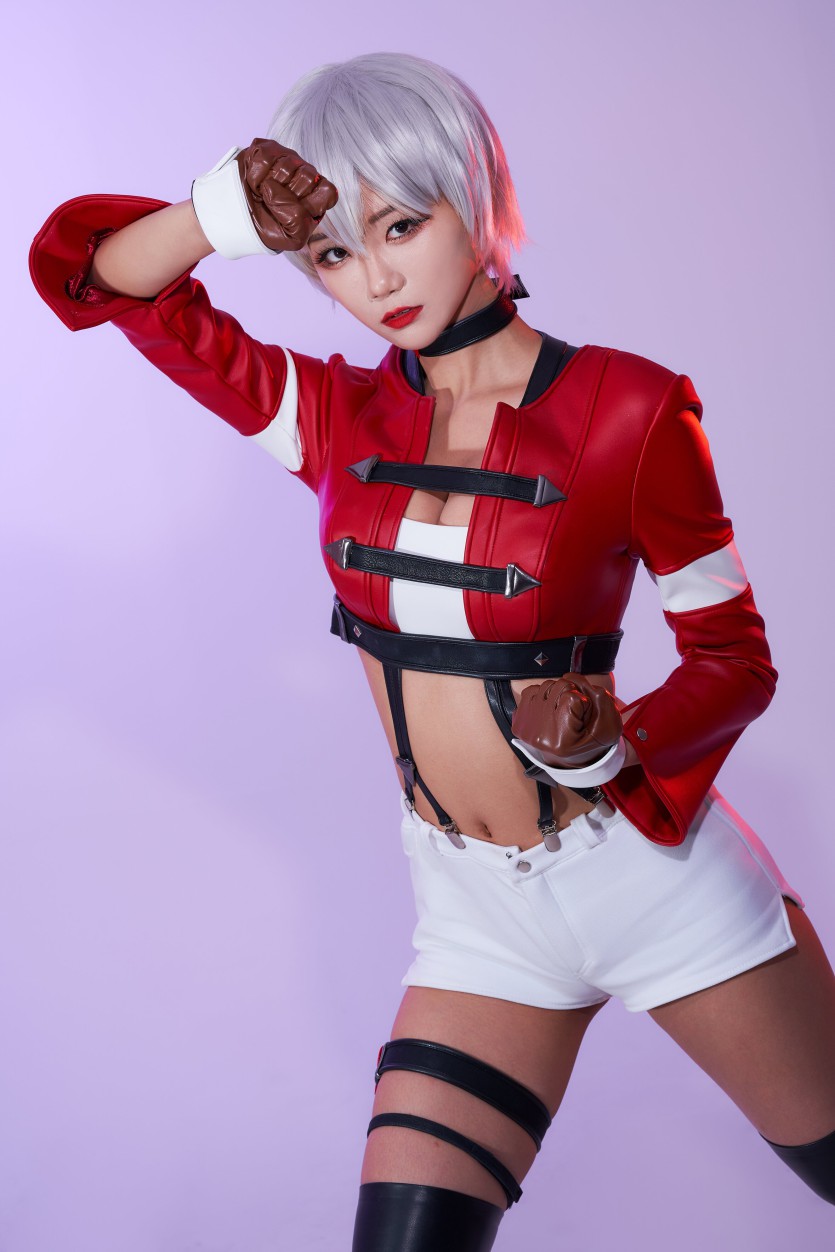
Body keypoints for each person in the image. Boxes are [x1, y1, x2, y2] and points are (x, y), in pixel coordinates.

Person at [29, 50, 835, 1251]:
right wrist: (216, 213)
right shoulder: (331, 419)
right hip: (473, 918)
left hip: (651, 881)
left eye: (401, 224)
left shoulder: (631, 408)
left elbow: (734, 656)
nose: (373, 277)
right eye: (330, 253)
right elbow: (102, 283)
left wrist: (618, 740)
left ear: (475, 199)